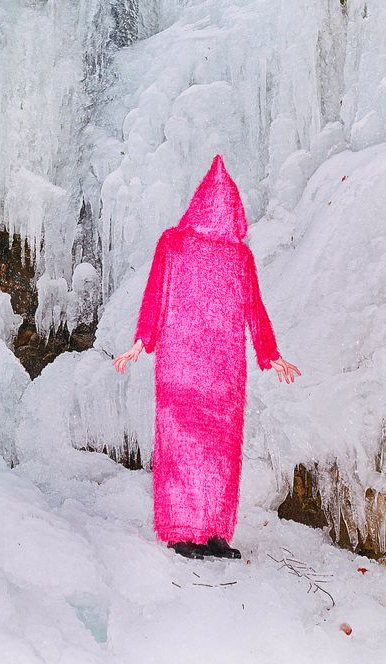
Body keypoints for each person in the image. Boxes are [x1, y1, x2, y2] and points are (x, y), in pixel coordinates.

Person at [113, 154, 301, 560]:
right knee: (213, 453)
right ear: (236, 209)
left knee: (188, 448)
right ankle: (196, 532)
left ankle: (203, 532)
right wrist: (270, 355)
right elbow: (255, 313)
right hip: (217, 372)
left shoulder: (193, 248)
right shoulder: (216, 253)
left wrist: (143, 341)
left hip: (191, 369)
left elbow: (157, 300)